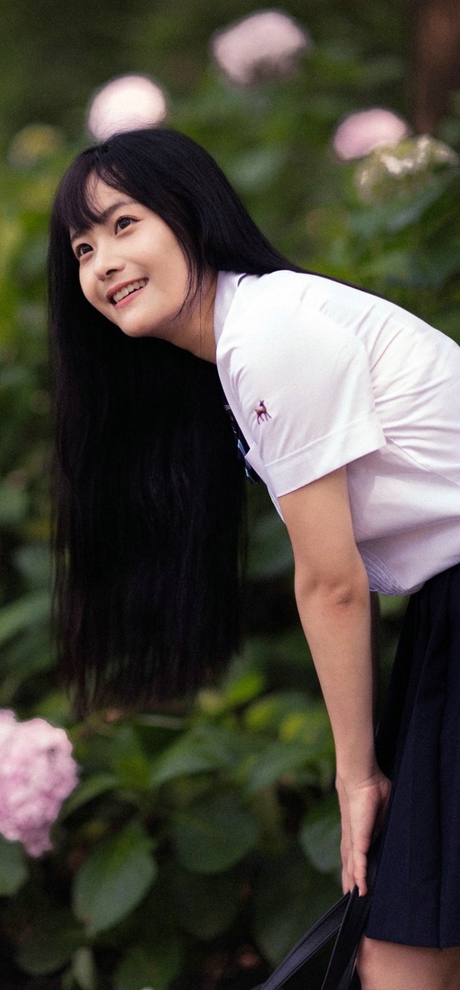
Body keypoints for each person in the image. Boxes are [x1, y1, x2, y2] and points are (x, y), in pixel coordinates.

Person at [47, 127, 460, 990]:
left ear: (189, 215)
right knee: (408, 946)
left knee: (404, 953)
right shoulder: (248, 342)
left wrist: (355, 777)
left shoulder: (267, 334)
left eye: (123, 225)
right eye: (83, 248)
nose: (103, 264)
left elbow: (332, 584)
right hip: (446, 609)